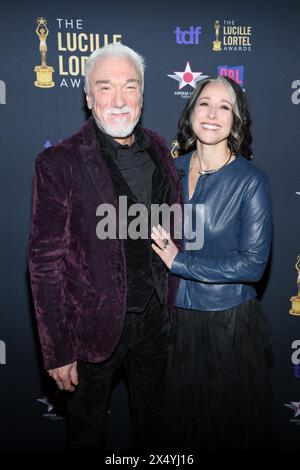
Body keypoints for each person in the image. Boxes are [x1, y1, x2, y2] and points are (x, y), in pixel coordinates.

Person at [28, 42, 182, 450]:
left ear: (143, 93)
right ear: (88, 96)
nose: (118, 100)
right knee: (86, 435)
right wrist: (57, 348)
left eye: (130, 86)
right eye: (105, 87)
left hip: (155, 324)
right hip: (90, 332)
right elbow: (45, 263)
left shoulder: (160, 149)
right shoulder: (59, 162)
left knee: (157, 435)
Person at [151, 76, 274, 450]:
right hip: (171, 323)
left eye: (225, 107)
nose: (212, 114)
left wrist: (180, 262)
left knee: (226, 432)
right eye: (205, 103)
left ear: (236, 121)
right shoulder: (167, 170)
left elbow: (253, 264)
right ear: (191, 112)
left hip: (228, 329)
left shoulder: (251, 181)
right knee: (175, 432)